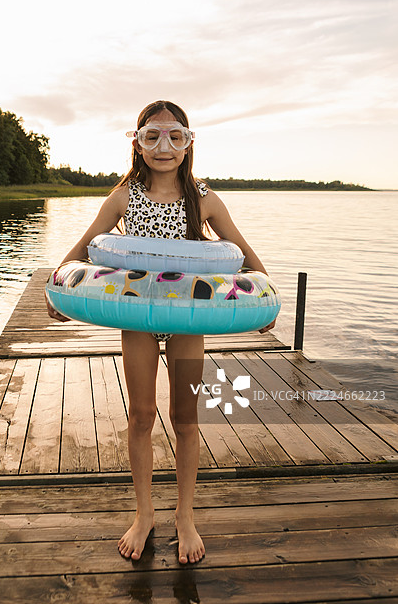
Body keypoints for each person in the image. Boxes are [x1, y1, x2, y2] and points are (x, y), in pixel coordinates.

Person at [45, 100, 276, 564]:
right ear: (138, 142)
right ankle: (144, 512)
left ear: (189, 144)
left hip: (189, 318)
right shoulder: (126, 195)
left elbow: (246, 255)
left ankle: (185, 515)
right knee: (141, 416)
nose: (164, 147)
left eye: (175, 137)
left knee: (186, 419)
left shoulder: (204, 197)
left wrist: (263, 299)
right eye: (152, 136)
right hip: (138, 316)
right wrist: (59, 284)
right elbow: (87, 242)